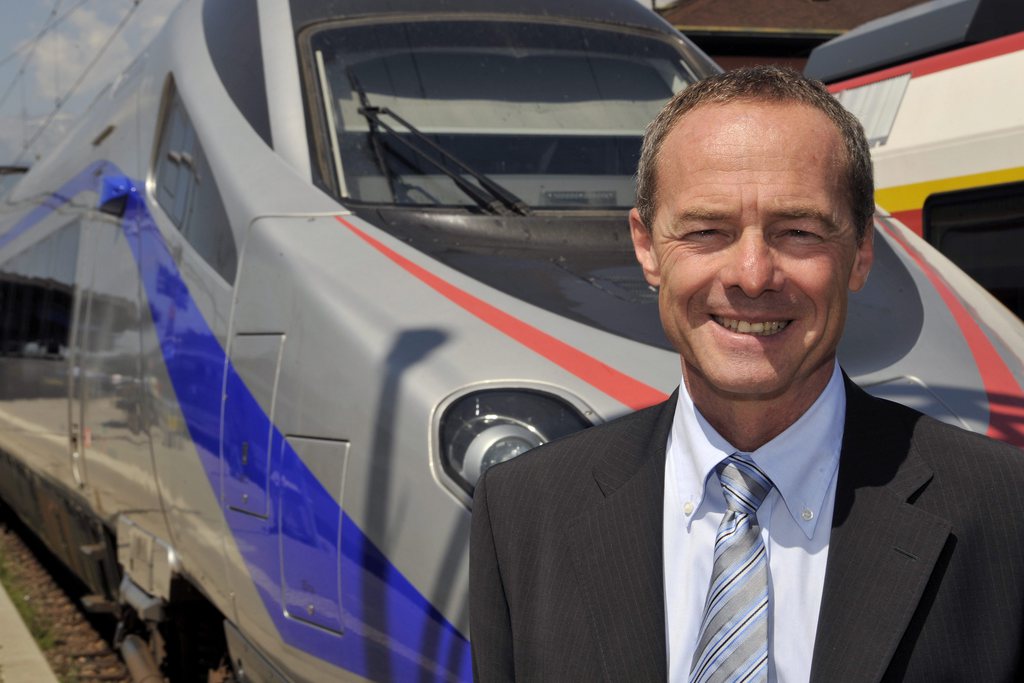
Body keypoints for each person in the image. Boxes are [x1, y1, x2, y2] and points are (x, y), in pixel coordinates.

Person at [469, 66, 1024, 682]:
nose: (753, 274)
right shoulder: (524, 510)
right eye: (707, 231)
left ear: (861, 251)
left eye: (798, 231)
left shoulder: (1003, 509)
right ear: (648, 247)